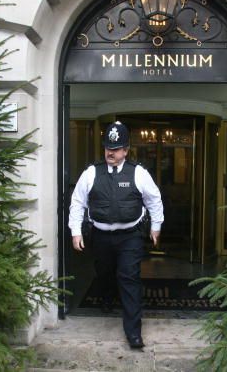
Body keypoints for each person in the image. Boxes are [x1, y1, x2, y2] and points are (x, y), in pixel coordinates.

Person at [69, 121, 164, 349]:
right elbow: (77, 202)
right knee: (104, 273)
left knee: (129, 278)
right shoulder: (91, 173)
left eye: (116, 148)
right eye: (108, 147)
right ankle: (106, 297)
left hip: (129, 236)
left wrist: (156, 226)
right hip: (100, 237)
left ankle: (133, 333)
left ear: (126, 150)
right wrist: (75, 232)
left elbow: (154, 200)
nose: (110, 152)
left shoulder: (138, 173)